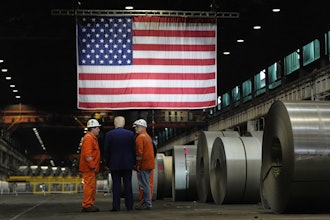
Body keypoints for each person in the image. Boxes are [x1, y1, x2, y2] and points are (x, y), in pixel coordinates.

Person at [104, 116, 136, 211]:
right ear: (124, 123)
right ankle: (129, 206)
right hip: (127, 163)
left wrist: (107, 163)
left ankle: (116, 206)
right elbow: (133, 150)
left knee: (116, 185)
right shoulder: (130, 134)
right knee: (128, 184)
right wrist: (134, 162)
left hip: (114, 164)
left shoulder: (109, 135)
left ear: (114, 124)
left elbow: (106, 150)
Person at [79, 119, 101, 212]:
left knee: (91, 187)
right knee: (89, 187)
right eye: (98, 128)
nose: (99, 130)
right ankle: (87, 205)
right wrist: (92, 165)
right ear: (93, 128)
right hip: (89, 168)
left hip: (90, 168)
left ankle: (89, 204)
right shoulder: (89, 138)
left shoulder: (91, 138)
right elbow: (87, 155)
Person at [133, 119, 155, 210]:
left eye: (137, 127)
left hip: (144, 165)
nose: (136, 129)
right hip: (150, 164)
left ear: (142, 127)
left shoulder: (140, 137)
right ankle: (145, 202)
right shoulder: (147, 137)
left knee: (144, 185)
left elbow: (139, 153)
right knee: (146, 184)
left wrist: (138, 165)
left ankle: (147, 204)